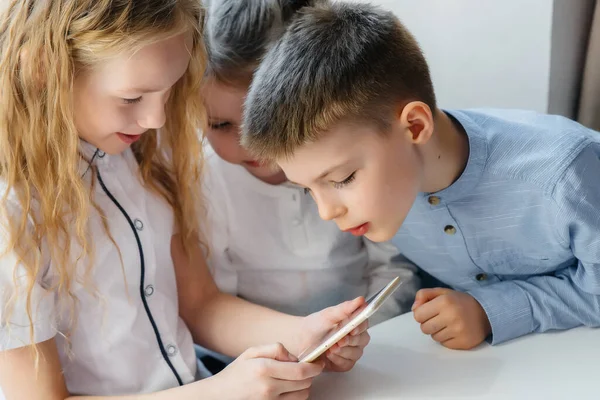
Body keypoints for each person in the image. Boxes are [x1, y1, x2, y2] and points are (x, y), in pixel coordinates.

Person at [0, 1, 369, 399]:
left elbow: (201, 304)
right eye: (131, 98)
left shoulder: (144, 153)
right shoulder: (12, 211)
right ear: (42, 68)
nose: (156, 119)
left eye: (169, 89)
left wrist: (302, 334)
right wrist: (218, 393)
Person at [240, 1, 600, 351]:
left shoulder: (564, 172)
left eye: (343, 178)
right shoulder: (390, 194)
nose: (326, 212)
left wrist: (493, 311)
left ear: (414, 126)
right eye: (306, 190)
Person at [200, 0, 419, 327]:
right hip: (258, 355)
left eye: (263, 123)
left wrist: (361, 330)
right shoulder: (206, 180)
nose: (248, 143)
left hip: (372, 336)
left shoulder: (356, 164)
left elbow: (394, 270)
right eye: (220, 125)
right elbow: (218, 301)